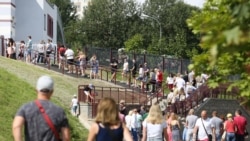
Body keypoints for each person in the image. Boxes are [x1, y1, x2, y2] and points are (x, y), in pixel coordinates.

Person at [12, 75, 70, 141]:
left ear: (36, 90)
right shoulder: (59, 111)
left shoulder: (25, 108)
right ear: (52, 92)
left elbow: (16, 126)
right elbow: (66, 137)